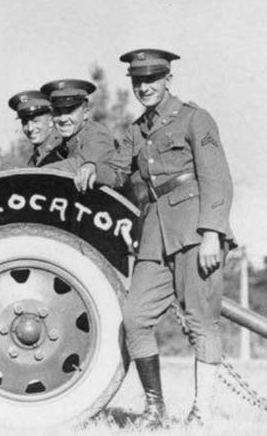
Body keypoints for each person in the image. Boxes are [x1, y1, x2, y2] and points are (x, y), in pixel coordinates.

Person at [75, 49, 234, 425]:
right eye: (137, 81)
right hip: (155, 235)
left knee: (201, 322)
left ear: (168, 80)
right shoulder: (136, 130)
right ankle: (154, 409)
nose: (144, 87)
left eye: (152, 79)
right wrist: (91, 167)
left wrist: (212, 233)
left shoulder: (195, 119)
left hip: (196, 231)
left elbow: (217, 178)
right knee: (134, 316)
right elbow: (116, 172)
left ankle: (202, 414)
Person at [40, 78, 116, 171]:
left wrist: (41, 171)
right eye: (58, 112)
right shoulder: (61, 145)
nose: (63, 119)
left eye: (70, 111)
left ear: (86, 113)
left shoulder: (97, 134)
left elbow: (84, 163)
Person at [8, 89, 66, 166]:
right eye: (25, 123)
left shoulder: (62, 150)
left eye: (35, 121)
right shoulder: (36, 156)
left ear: (51, 121)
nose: (30, 128)